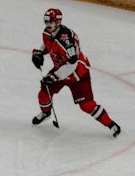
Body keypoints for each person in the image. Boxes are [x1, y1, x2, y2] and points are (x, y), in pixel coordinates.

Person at [31, 7, 120, 136]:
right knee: (44, 93)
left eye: (51, 22)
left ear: (58, 22)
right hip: (61, 68)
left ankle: (111, 124)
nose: (48, 25)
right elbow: (47, 43)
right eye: (46, 22)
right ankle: (46, 113)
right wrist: (39, 53)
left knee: (87, 105)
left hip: (77, 74)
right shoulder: (48, 32)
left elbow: (71, 64)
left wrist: (54, 77)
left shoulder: (66, 42)